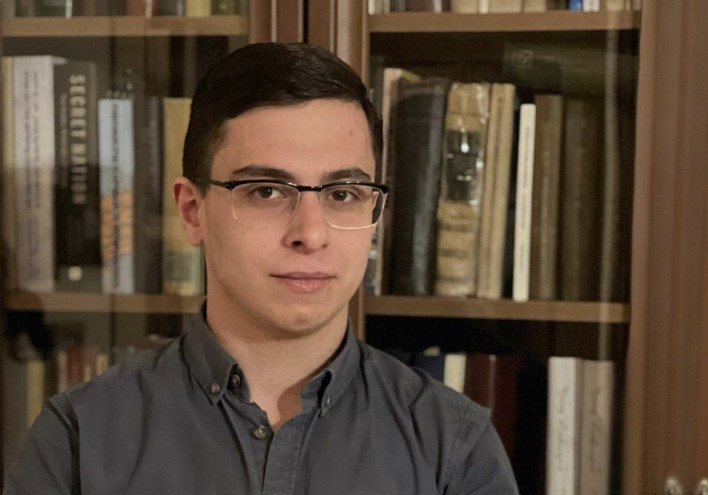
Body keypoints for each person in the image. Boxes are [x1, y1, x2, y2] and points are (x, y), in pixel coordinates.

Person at [4, 42, 518, 494]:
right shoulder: (78, 439)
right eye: (267, 191)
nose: (310, 234)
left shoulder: (454, 447)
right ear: (193, 211)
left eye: (343, 194)